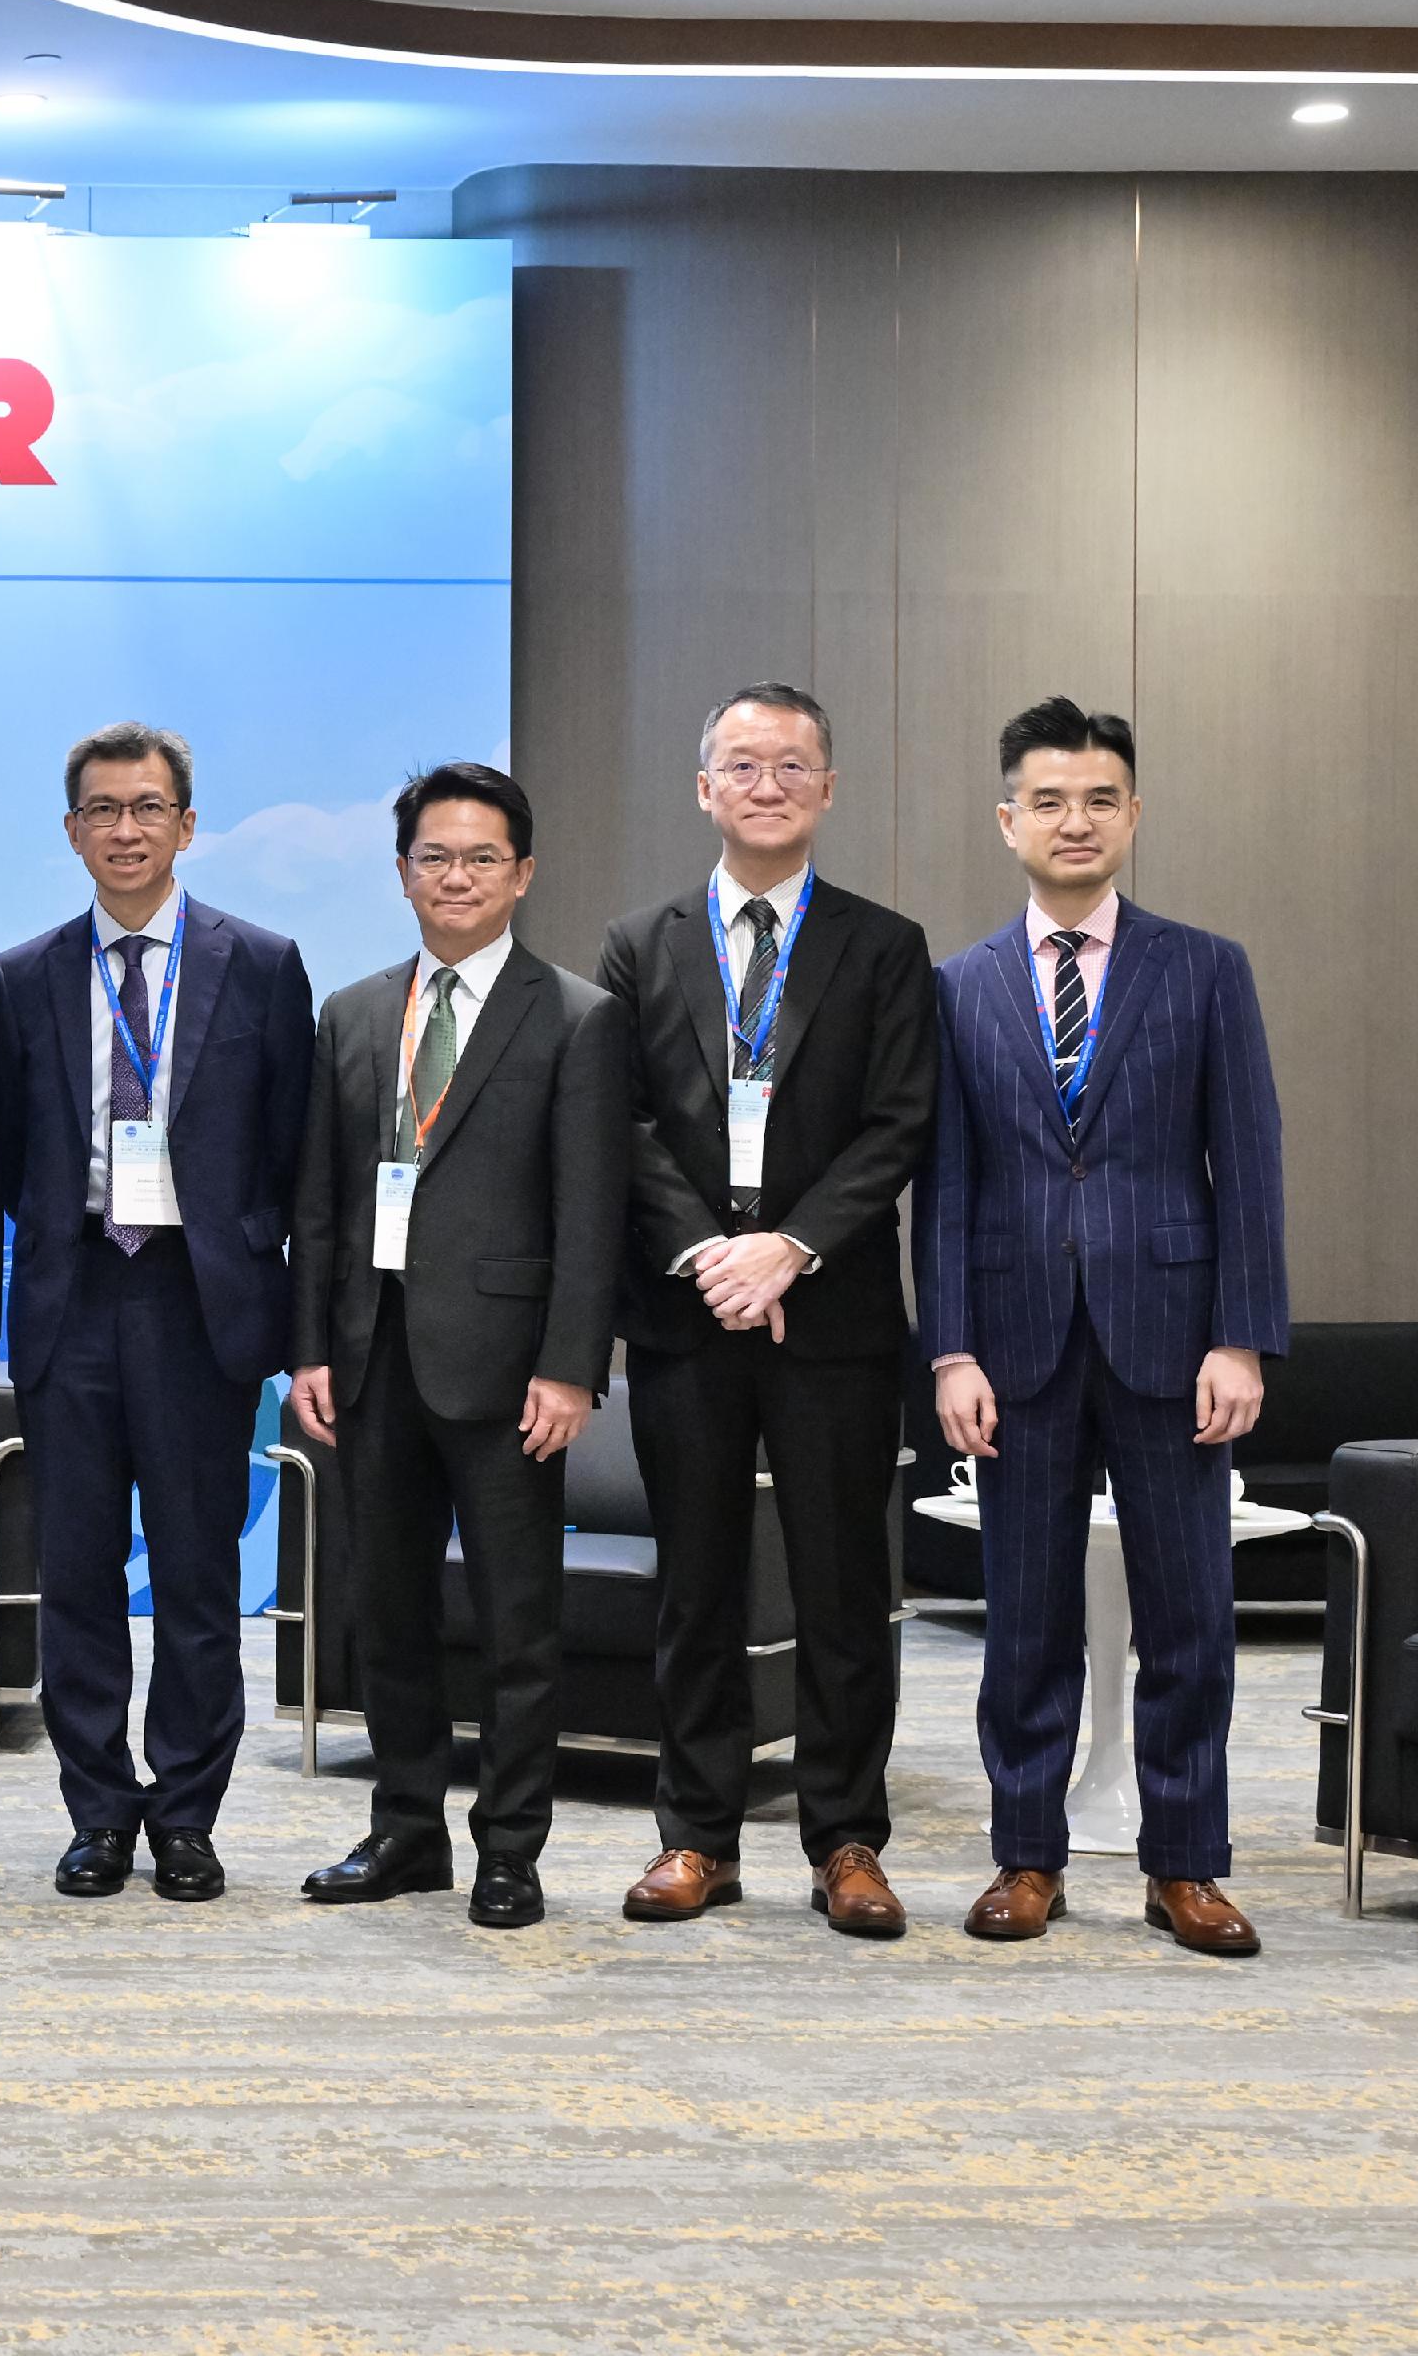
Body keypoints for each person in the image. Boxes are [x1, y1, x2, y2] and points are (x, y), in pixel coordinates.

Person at [924, 696, 1285, 1957]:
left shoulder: (1203, 968)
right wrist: (951, 1349)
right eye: (1048, 800)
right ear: (1007, 818)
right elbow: (947, 1186)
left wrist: (1240, 1336)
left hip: (1172, 1337)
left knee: (1187, 1611)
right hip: (1013, 1345)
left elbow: (1245, 1163)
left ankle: (1185, 1864)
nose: (1073, 821)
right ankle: (1026, 1857)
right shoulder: (957, 986)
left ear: (1131, 813)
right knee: (1024, 1618)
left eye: (1098, 799)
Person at [596, 685, 936, 1938]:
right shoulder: (639, 943)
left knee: (845, 1587)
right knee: (694, 1585)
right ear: (703, 787)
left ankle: (847, 1840)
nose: (768, 784)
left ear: (828, 789)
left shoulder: (883, 945)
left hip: (833, 1319)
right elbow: (620, 1124)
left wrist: (788, 1248)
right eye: (742, 764)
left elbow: (899, 1121)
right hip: (689, 1319)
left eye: (793, 765)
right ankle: (695, 1838)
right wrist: (709, 1256)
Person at [288, 761, 627, 1929]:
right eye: (434, 856)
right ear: (400, 873)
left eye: (481, 857)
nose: (457, 876)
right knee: (383, 1613)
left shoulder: (578, 1017)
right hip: (370, 1361)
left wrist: (572, 1365)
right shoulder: (354, 1011)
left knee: (515, 1623)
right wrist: (310, 1351)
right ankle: (404, 1830)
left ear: (522, 873)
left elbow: (592, 1213)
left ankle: (510, 1848)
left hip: (509, 1374)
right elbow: (320, 1204)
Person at [0, 723, 310, 1903]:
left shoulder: (262, 964)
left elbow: (292, 1154)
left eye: (147, 808)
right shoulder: (21, 976)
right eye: (102, 811)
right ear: (72, 830)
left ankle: (184, 1817)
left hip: (197, 1305)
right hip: (71, 1297)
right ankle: (96, 1814)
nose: (125, 830)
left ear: (185, 822)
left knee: (191, 1580)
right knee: (73, 1578)